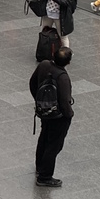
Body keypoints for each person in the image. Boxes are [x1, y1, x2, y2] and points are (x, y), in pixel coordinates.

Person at [29, 47, 74, 188]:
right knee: (53, 145)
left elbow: (32, 83)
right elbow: (65, 100)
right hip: (58, 116)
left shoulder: (44, 65)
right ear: (68, 62)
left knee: (44, 137)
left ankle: (40, 166)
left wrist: (40, 101)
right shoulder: (62, 77)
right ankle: (45, 176)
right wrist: (69, 115)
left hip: (44, 111)